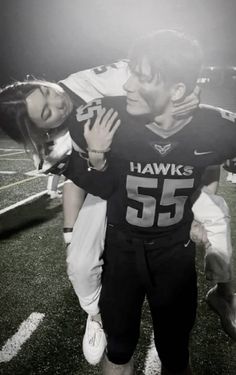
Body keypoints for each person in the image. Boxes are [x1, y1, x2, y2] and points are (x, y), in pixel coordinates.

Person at [0, 39, 235, 370]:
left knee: (216, 213)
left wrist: (189, 95)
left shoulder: (95, 83)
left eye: (49, 91)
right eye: (47, 112)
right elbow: (80, 184)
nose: (58, 102)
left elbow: (159, 75)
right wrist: (71, 232)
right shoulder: (55, 146)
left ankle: (224, 293)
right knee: (81, 263)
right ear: (37, 132)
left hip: (161, 172)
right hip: (108, 180)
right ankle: (97, 315)